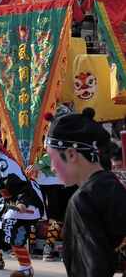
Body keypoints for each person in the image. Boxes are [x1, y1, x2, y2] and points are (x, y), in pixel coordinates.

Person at [45, 107, 126, 276]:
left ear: (72, 154)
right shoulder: (114, 186)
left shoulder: (83, 201)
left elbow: (90, 269)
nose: (52, 168)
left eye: (53, 158)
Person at [0, 119, 45, 277]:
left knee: (11, 226)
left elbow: (23, 187)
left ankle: (26, 269)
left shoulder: (6, 163)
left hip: (26, 199)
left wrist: (21, 204)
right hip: (7, 199)